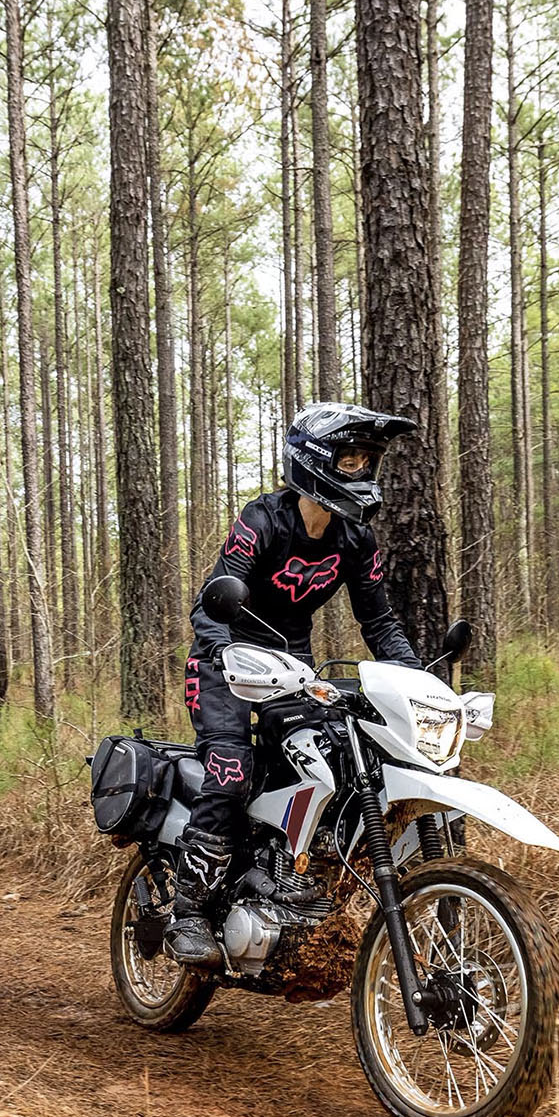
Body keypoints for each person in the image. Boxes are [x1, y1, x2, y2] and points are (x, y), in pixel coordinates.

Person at [166, 402, 425, 970]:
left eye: (368, 460)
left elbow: (378, 621)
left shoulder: (355, 538)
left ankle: (278, 872)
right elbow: (213, 599)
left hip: (293, 665)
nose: (361, 469)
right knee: (231, 770)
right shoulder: (262, 520)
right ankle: (188, 907)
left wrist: (416, 680)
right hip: (223, 662)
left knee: (327, 762)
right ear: (314, 461)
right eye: (350, 457)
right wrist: (224, 649)